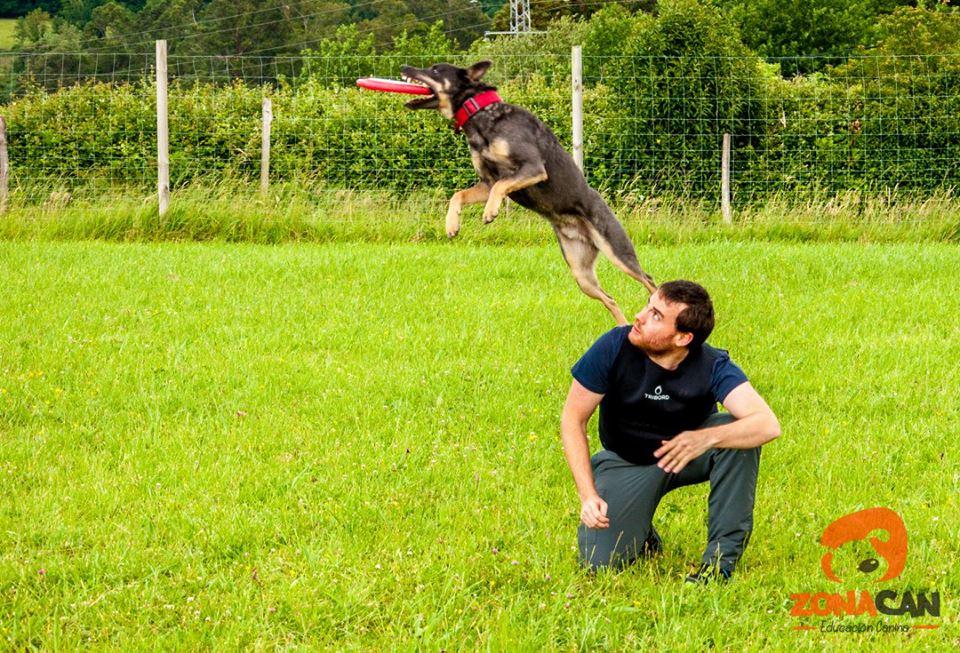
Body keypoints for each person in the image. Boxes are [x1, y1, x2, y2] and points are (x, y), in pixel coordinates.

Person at [560, 280, 780, 582]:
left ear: (683, 338)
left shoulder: (712, 364)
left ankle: (719, 565)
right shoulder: (614, 346)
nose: (639, 316)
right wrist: (587, 495)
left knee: (739, 433)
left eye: (656, 315)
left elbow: (767, 424)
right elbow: (573, 419)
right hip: (627, 461)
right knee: (601, 563)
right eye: (648, 306)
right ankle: (641, 531)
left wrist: (706, 438)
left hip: (688, 455)